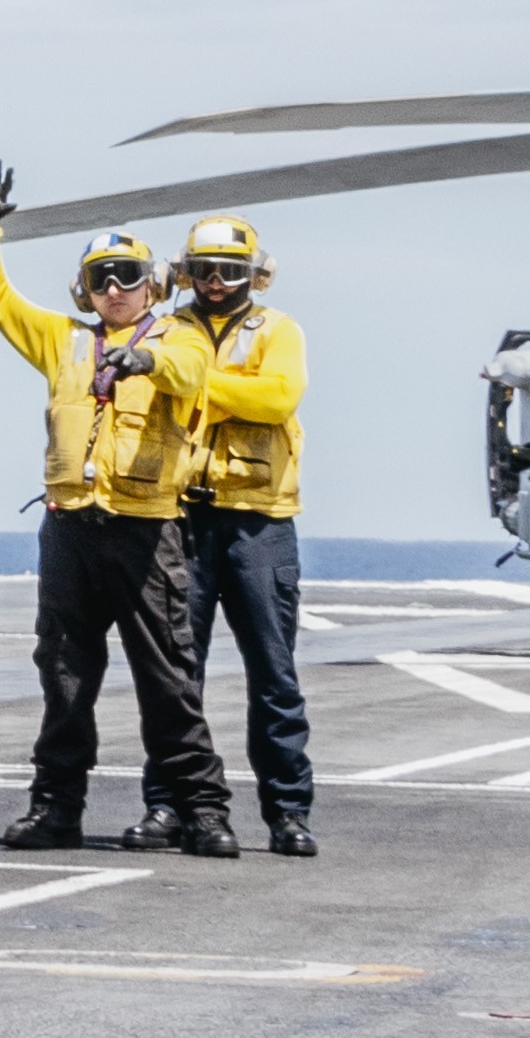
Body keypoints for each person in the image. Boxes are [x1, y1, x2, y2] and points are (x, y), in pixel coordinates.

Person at [0, 166, 225, 856]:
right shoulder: (65, 340)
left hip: (145, 531)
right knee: (65, 675)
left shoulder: (181, 337)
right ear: (84, 290)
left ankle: (203, 810)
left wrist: (144, 364)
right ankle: (56, 809)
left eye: (126, 276)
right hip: (70, 527)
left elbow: (191, 372)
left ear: (151, 284)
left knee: (167, 678)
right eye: (100, 279)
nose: (113, 290)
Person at [145, 218, 322, 855]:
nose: (216, 282)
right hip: (180, 522)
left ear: (256, 274)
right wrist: (227, 392)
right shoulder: (165, 330)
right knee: (174, 677)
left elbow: (278, 398)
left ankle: (288, 814)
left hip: (259, 521)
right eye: (204, 270)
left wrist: (194, 384)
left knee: (273, 674)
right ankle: (168, 806)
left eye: (230, 271)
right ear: (185, 272)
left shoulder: (278, 330)